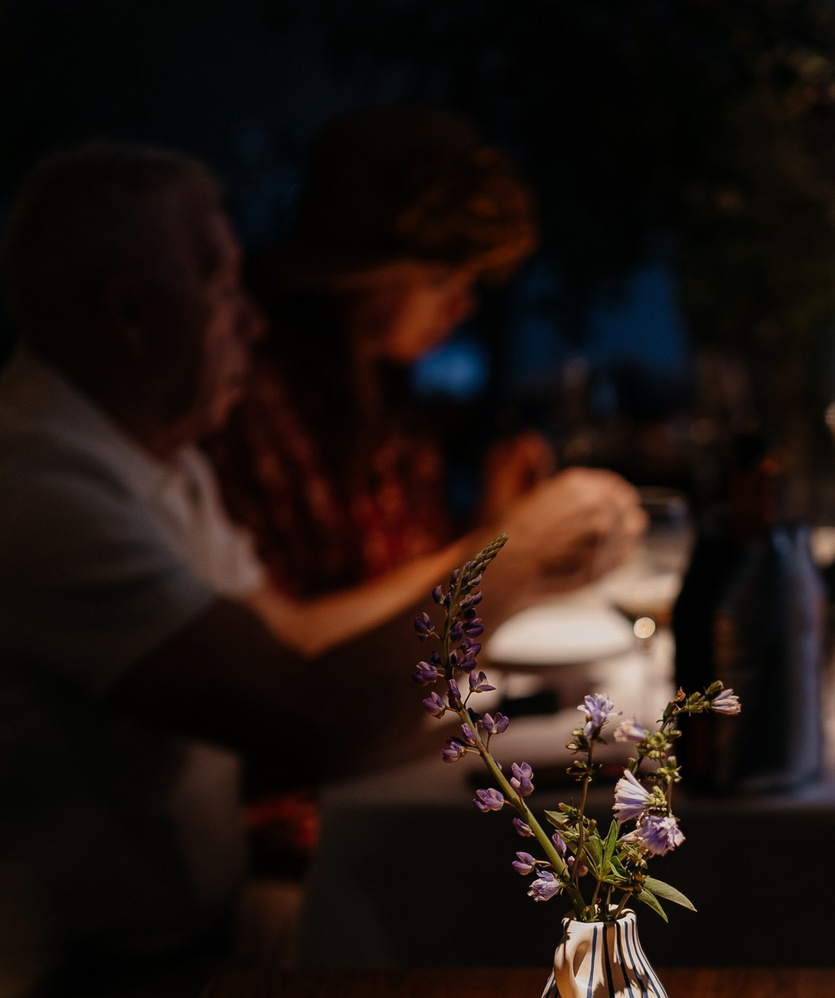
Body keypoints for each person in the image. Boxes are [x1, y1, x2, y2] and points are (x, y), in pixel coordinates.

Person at [0, 143, 595, 998]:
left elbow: (290, 637)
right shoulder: (33, 490)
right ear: (131, 313)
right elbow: (315, 718)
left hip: (163, 956)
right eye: (219, 288)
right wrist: (513, 561)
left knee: (500, 960)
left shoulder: (145, 460)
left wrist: (494, 548)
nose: (253, 322)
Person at [206, 106, 638, 655]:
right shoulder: (252, 401)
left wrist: (494, 519)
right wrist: (501, 547)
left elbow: (410, 586)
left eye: (468, 280)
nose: (462, 305)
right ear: (359, 276)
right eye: (439, 279)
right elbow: (280, 642)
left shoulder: (390, 392)